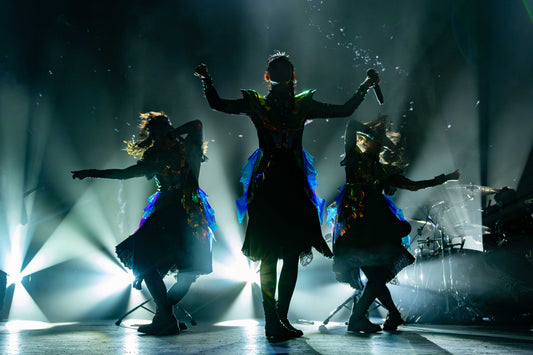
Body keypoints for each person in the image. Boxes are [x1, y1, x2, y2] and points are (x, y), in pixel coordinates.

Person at [194, 51, 379, 341]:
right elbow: (344, 110)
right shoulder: (280, 104)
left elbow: (218, 103)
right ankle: (275, 320)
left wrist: (207, 80)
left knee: (279, 255)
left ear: (272, 77)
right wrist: (364, 87)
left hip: (279, 185)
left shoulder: (281, 105)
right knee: (283, 255)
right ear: (284, 77)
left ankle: (277, 319)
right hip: (281, 184)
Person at [72, 113, 215, 335]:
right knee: (148, 264)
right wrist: (92, 173)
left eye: (164, 129)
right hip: (171, 214)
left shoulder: (188, 149)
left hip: (185, 214)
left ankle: (164, 318)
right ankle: (165, 318)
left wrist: (172, 133)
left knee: (185, 271)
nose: (159, 135)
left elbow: (197, 124)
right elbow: (125, 174)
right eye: (156, 131)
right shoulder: (156, 156)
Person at [328, 117, 460, 333]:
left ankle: (384, 316)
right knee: (376, 277)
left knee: (376, 277)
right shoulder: (354, 158)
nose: (380, 144)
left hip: (377, 226)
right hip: (356, 226)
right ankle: (366, 317)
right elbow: (351, 125)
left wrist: (445, 178)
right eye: (376, 140)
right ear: (367, 141)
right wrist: (373, 132)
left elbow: (413, 185)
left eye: (381, 141)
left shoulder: (384, 171)